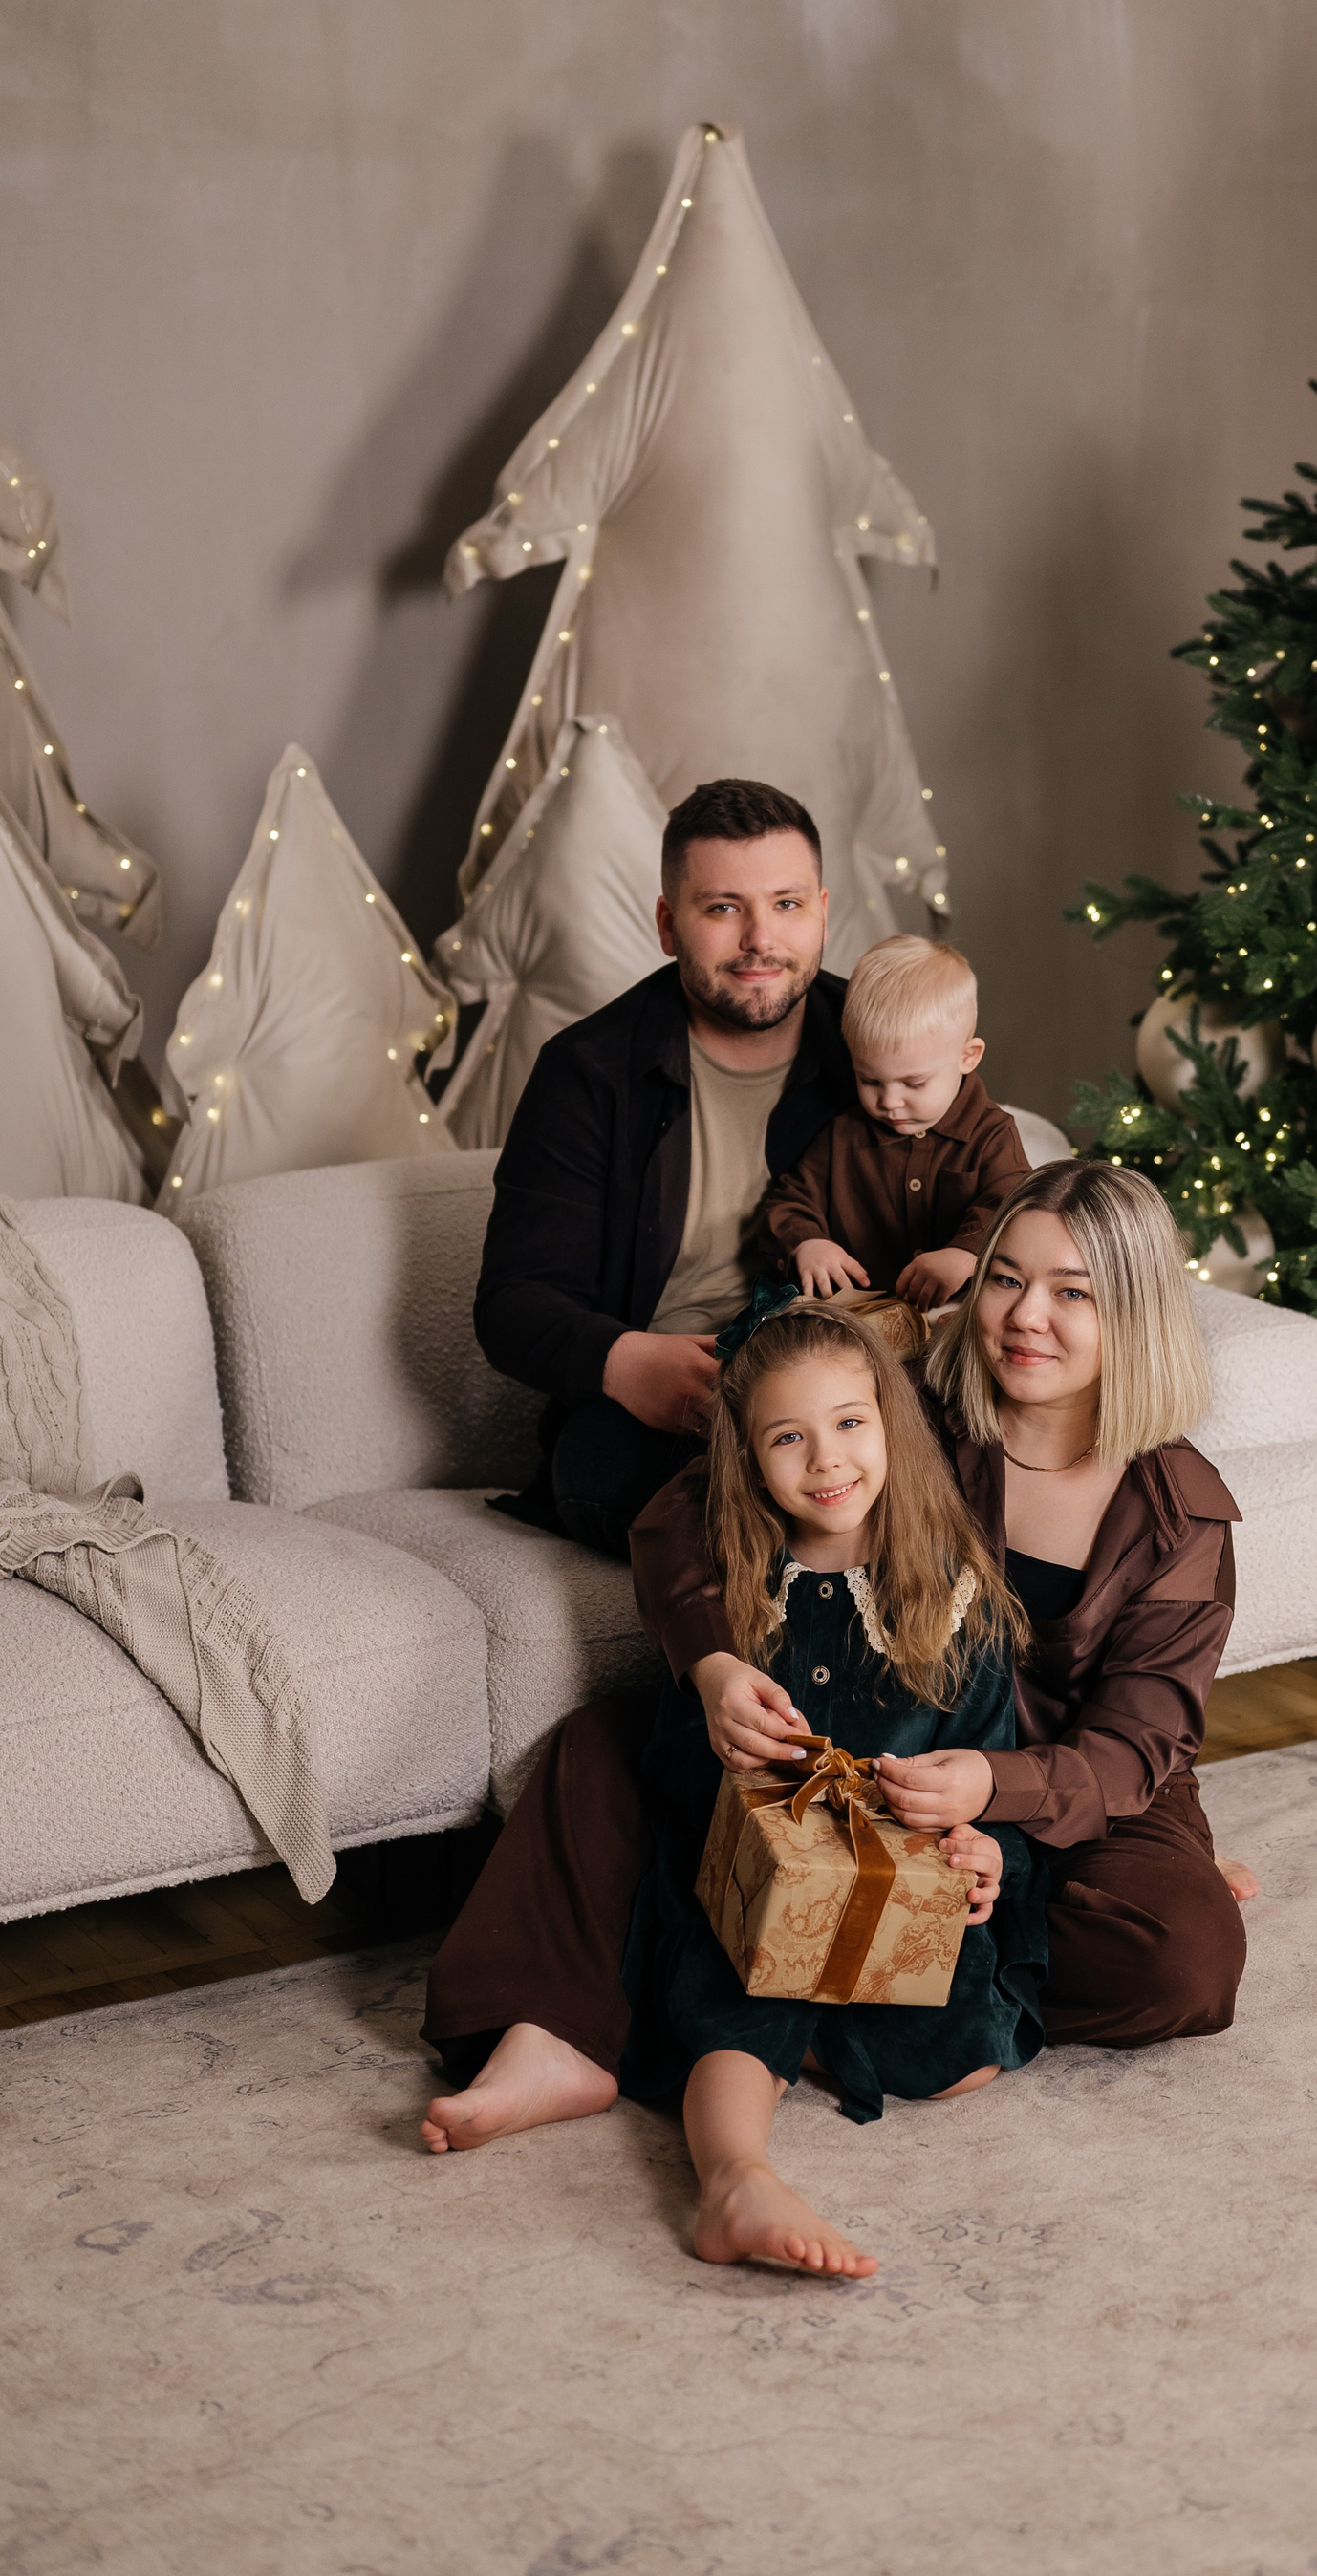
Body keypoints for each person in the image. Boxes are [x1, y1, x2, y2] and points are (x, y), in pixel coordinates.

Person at [420, 1159, 1248, 2154]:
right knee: (602, 1746)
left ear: (1137, 1314)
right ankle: (559, 2034)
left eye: (1073, 1293)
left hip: (1066, 1794)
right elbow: (686, 1510)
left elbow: (1135, 1745)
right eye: (1004, 1278)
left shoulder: (1180, 1512)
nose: (1026, 1316)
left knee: (1183, 1957)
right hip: (856, 1737)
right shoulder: (900, 1404)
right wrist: (714, 1666)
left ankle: (767, 1986)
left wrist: (993, 1791)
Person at [614, 1303, 1047, 2275]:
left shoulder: (959, 1593)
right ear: (747, 1456)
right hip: (759, 1889)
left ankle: (808, 2039)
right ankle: (734, 2181)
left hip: (899, 1887)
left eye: (850, 1422)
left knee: (965, 2056)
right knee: (741, 1991)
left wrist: (987, 1853)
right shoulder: (736, 1588)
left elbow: (987, 1770)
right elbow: (683, 1767)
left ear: (892, 1425)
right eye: (787, 1437)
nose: (826, 1460)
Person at [472, 775, 854, 1557]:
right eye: (722, 909)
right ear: (668, 924)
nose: (759, 939)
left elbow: (983, 1185)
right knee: (604, 1463)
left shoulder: (875, 1043)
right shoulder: (586, 1072)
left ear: (822, 911)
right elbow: (513, 1303)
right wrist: (622, 1363)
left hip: (854, 1394)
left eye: (786, 904)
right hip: (670, 1416)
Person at [763, 934, 1030, 1312]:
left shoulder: (992, 1134)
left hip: (959, 1315)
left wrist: (965, 1254)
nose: (889, 1102)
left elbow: (1014, 1205)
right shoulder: (843, 1135)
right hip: (861, 1318)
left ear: (968, 1057)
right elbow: (791, 1200)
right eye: (870, 1080)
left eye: (914, 1083)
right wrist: (808, 1243)